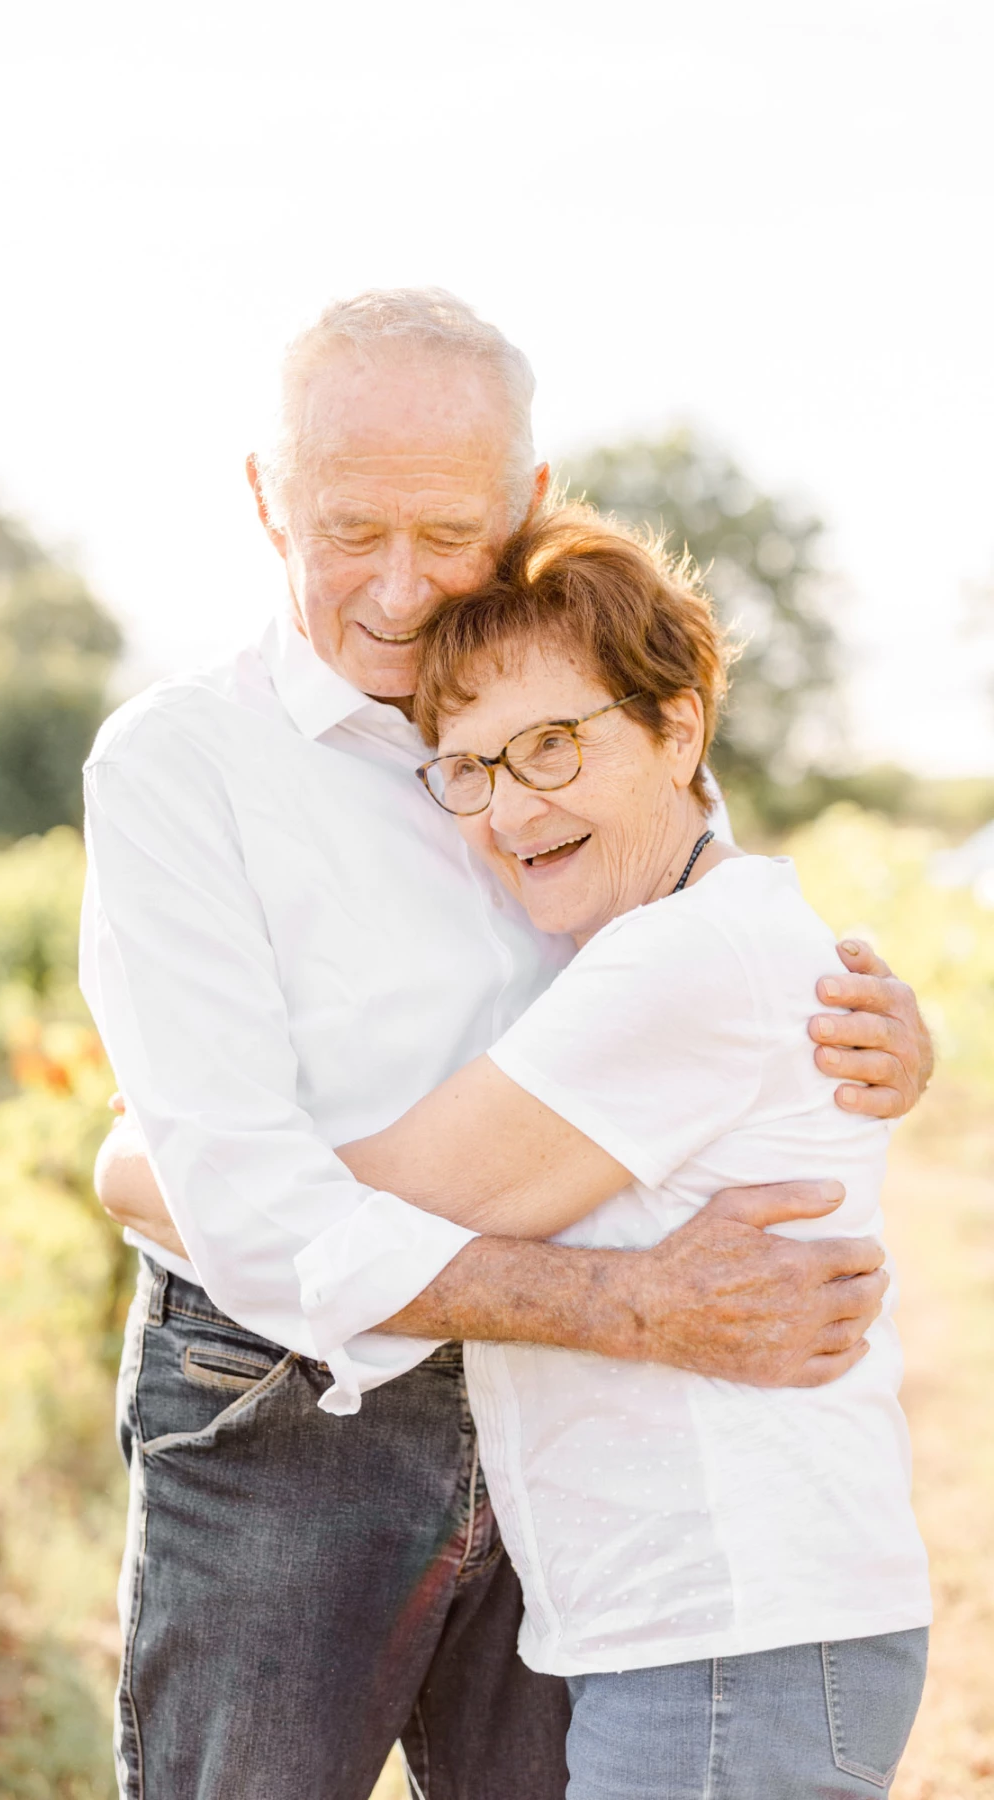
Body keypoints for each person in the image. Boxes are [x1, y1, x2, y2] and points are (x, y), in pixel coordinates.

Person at [81, 288, 932, 1800]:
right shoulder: (180, 767)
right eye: (351, 532)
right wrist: (632, 1306)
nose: (402, 591)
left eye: (450, 534)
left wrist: (874, 1034)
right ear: (267, 500)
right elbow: (263, 1226)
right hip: (289, 1406)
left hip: (576, 1446)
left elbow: (702, 937)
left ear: (531, 501)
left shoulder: (574, 701)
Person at [331, 504, 931, 1796]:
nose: (509, 807)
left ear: (678, 730)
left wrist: (150, 1158)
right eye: (470, 767)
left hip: (732, 1641)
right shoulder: (698, 929)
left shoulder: (680, 959)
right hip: (736, 1633)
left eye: (551, 745)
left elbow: (357, 1208)